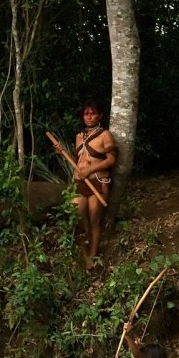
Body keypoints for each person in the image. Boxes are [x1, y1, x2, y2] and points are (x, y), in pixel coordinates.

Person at [72, 99, 116, 266]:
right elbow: (79, 160)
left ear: (100, 116)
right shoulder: (79, 136)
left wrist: (91, 170)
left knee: (94, 218)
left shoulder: (105, 135)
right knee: (76, 214)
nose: (89, 117)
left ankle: (92, 256)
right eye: (86, 114)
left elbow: (111, 159)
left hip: (98, 181)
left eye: (93, 114)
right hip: (80, 182)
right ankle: (84, 251)